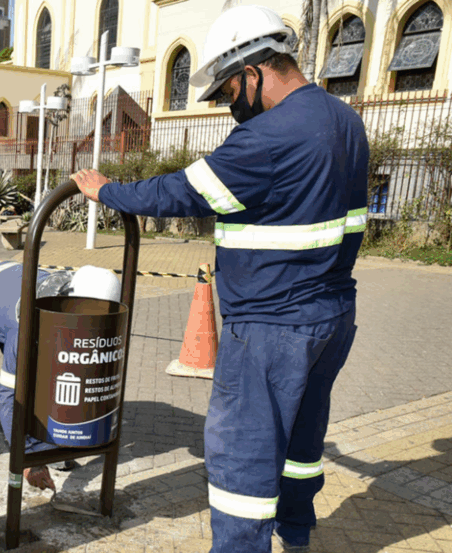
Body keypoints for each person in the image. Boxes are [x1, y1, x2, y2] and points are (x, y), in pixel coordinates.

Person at [70, 6, 368, 552]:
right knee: (302, 440)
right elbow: (349, 224)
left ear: (254, 71)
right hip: (332, 314)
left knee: (242, 454)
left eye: (230, 90)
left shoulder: (268, 137)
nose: (231, 104)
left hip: (270, 326)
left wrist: (108, 191)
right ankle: (296, 536)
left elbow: (180, 193)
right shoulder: (344, 120)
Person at [0, 263, 122, 490]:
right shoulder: (30, 322)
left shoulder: (72, 298)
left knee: (37, 381)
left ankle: (45, 444)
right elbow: (9, 397)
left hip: (4, 296)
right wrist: (31, 459)